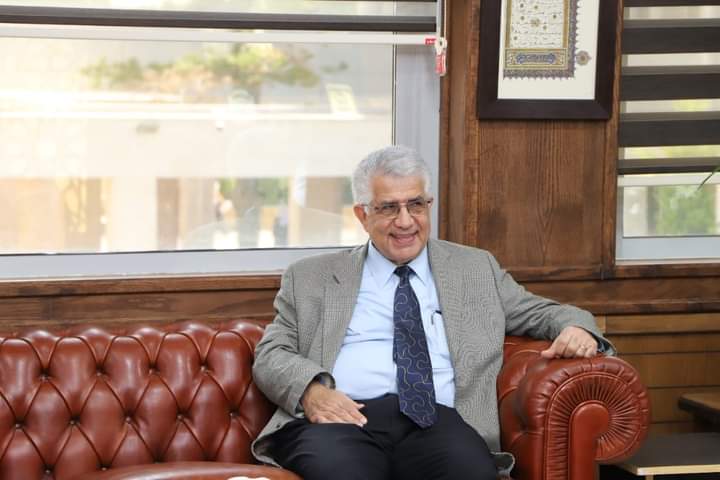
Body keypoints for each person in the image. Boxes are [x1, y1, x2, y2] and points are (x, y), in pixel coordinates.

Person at [251, 145, 612, 480]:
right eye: (389, 208)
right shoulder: (311, 277)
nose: (405, 221)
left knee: (470, 472)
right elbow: (271, 352)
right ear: (362, 214)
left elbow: (544, 313)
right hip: (342, 420)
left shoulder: (475, 269)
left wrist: (577, 328)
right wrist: (312, 391)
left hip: (439, 422)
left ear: (429, 205)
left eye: (416, 205)